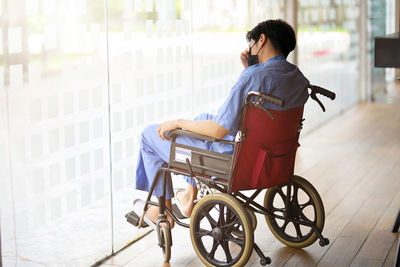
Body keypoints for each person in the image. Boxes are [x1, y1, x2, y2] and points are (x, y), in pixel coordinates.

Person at [133, 19, 309, 229]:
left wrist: (177, 122)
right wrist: (248, 68)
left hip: (233, 162)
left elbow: (219, 130)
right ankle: (189, 196)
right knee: (203, 117)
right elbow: (255, 111)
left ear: (262, 40)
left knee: (149, 136)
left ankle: (163, 212)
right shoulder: (297, 77)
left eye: (251, 44)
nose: (250, 49)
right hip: (271, 159)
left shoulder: (253, 76)